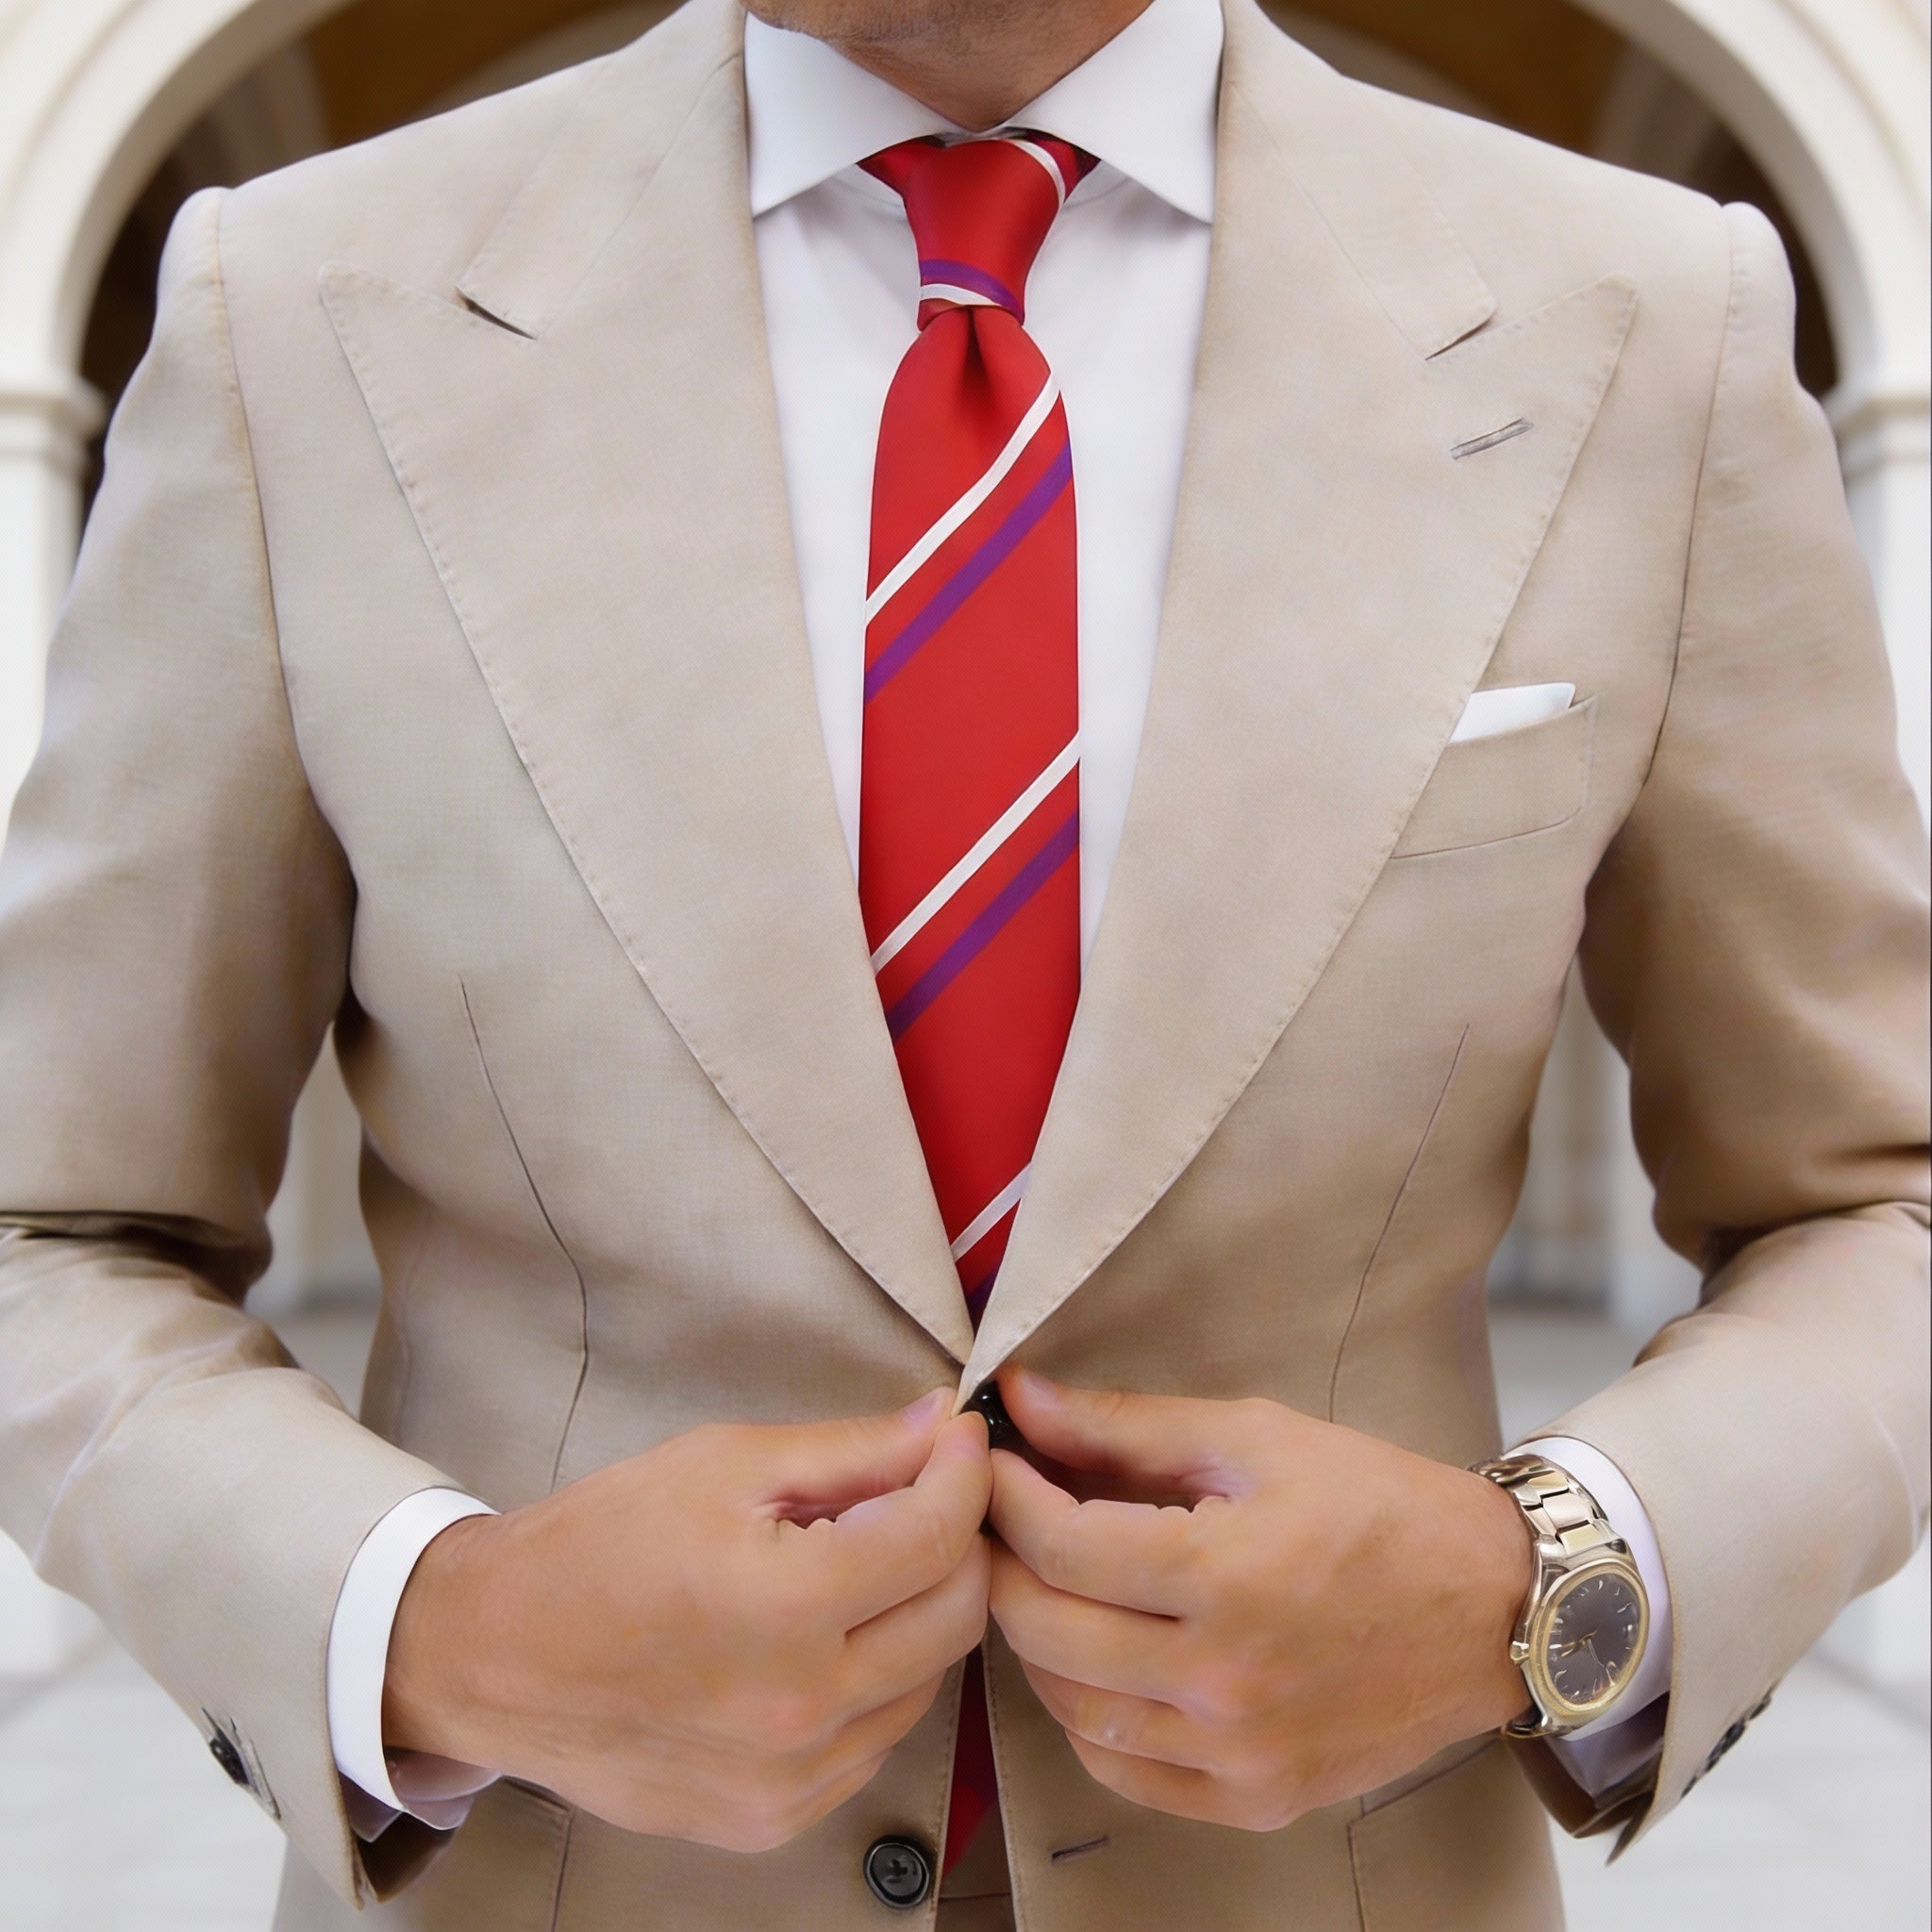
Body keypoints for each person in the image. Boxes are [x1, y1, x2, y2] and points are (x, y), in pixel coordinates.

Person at [0, 0, 1924, 1924]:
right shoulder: (298, 309)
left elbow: (1877, 1202)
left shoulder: (1646, 317)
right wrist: (437, 1626)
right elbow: (51, 1229)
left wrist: (1544, 1588)